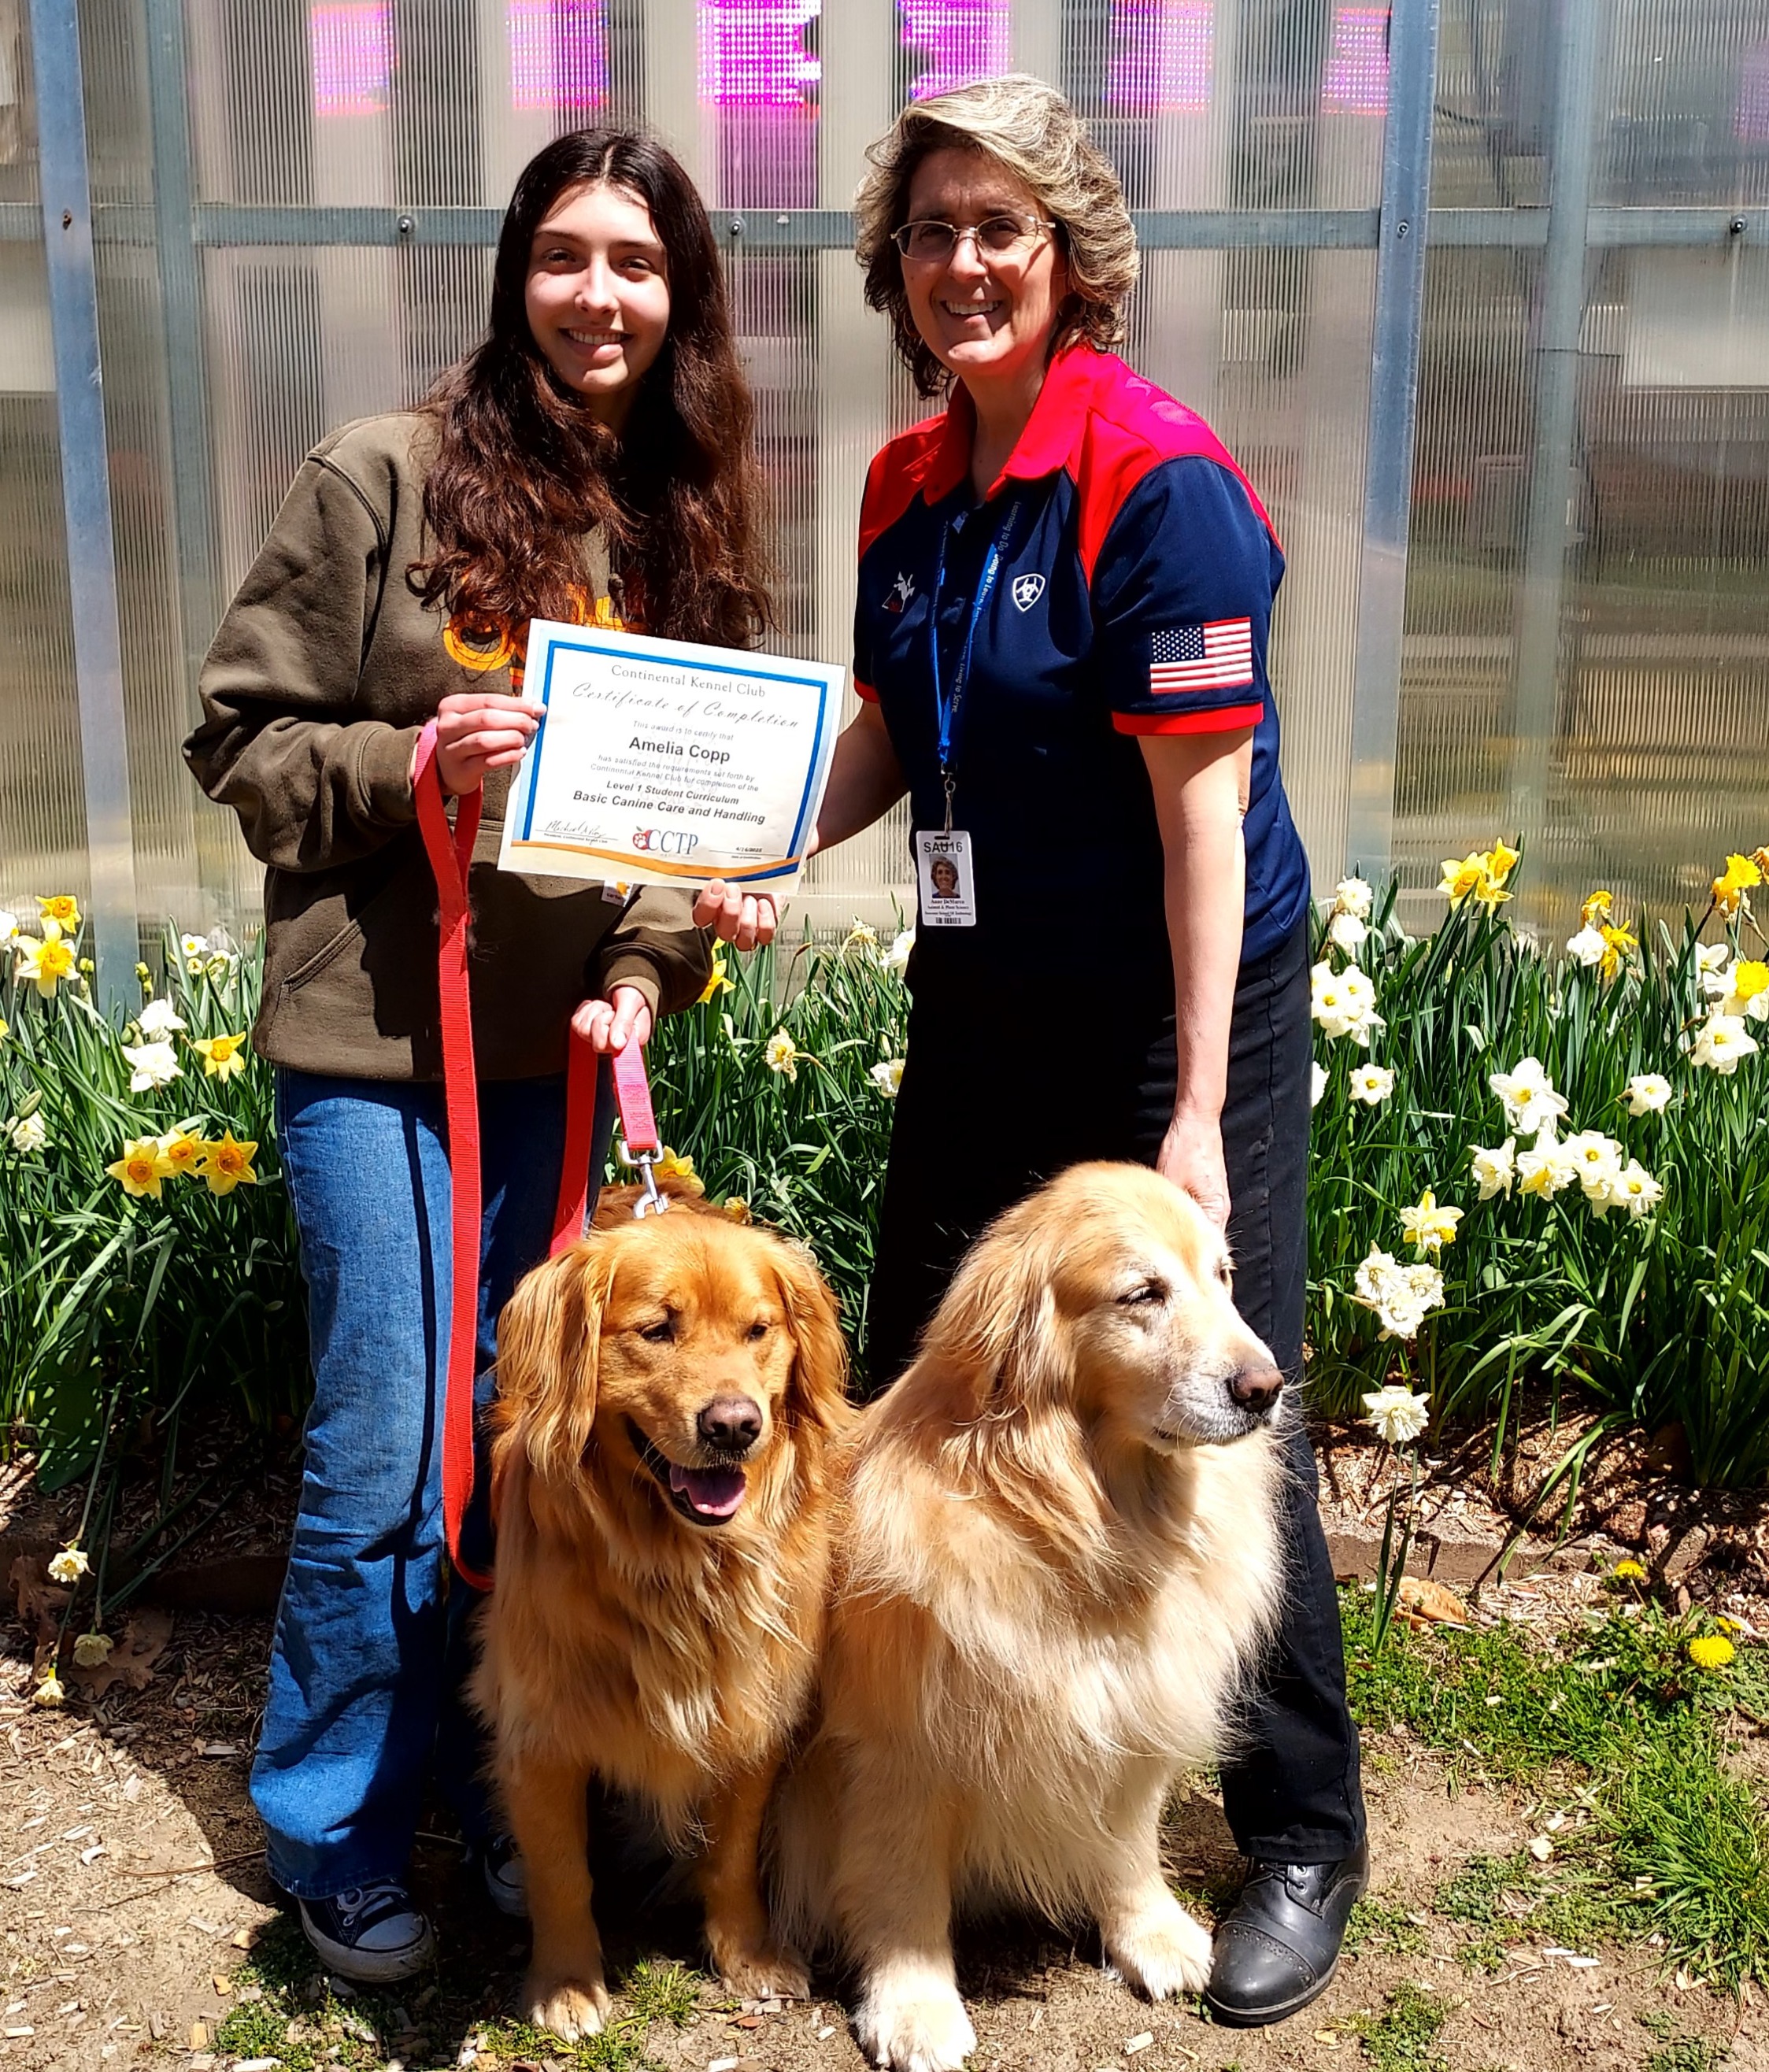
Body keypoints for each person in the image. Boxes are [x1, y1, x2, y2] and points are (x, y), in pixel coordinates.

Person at [702, 75, 1367, 2029]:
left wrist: (1187, 1109)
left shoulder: (1150, 476)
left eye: (1002, 226)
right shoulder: (908, 484)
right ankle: (936, 1776)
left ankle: (1297, 1826)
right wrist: (753, 847)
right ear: (891, 272)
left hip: (1172, 996)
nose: (964, 261)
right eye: (930, 231)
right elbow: (899, 737)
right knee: (937, 1393)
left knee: (1231, 1398)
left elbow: (1197, 815)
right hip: (984, 993)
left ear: (1070, 256)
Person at [184, 128, 767, 1982]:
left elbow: (678, 838)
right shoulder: (382, 474)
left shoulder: (677, 515)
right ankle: (338, 1826)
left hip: (553, 1066)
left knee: (540, 1457)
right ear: (515, 270)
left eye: (640, 262)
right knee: (384, 1445)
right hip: (374, 1047)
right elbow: (240, 741)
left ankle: (517, 1789)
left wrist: (654, 969)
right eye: (567, 254)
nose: (601, 295)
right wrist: (410, 764)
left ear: (680, 296)